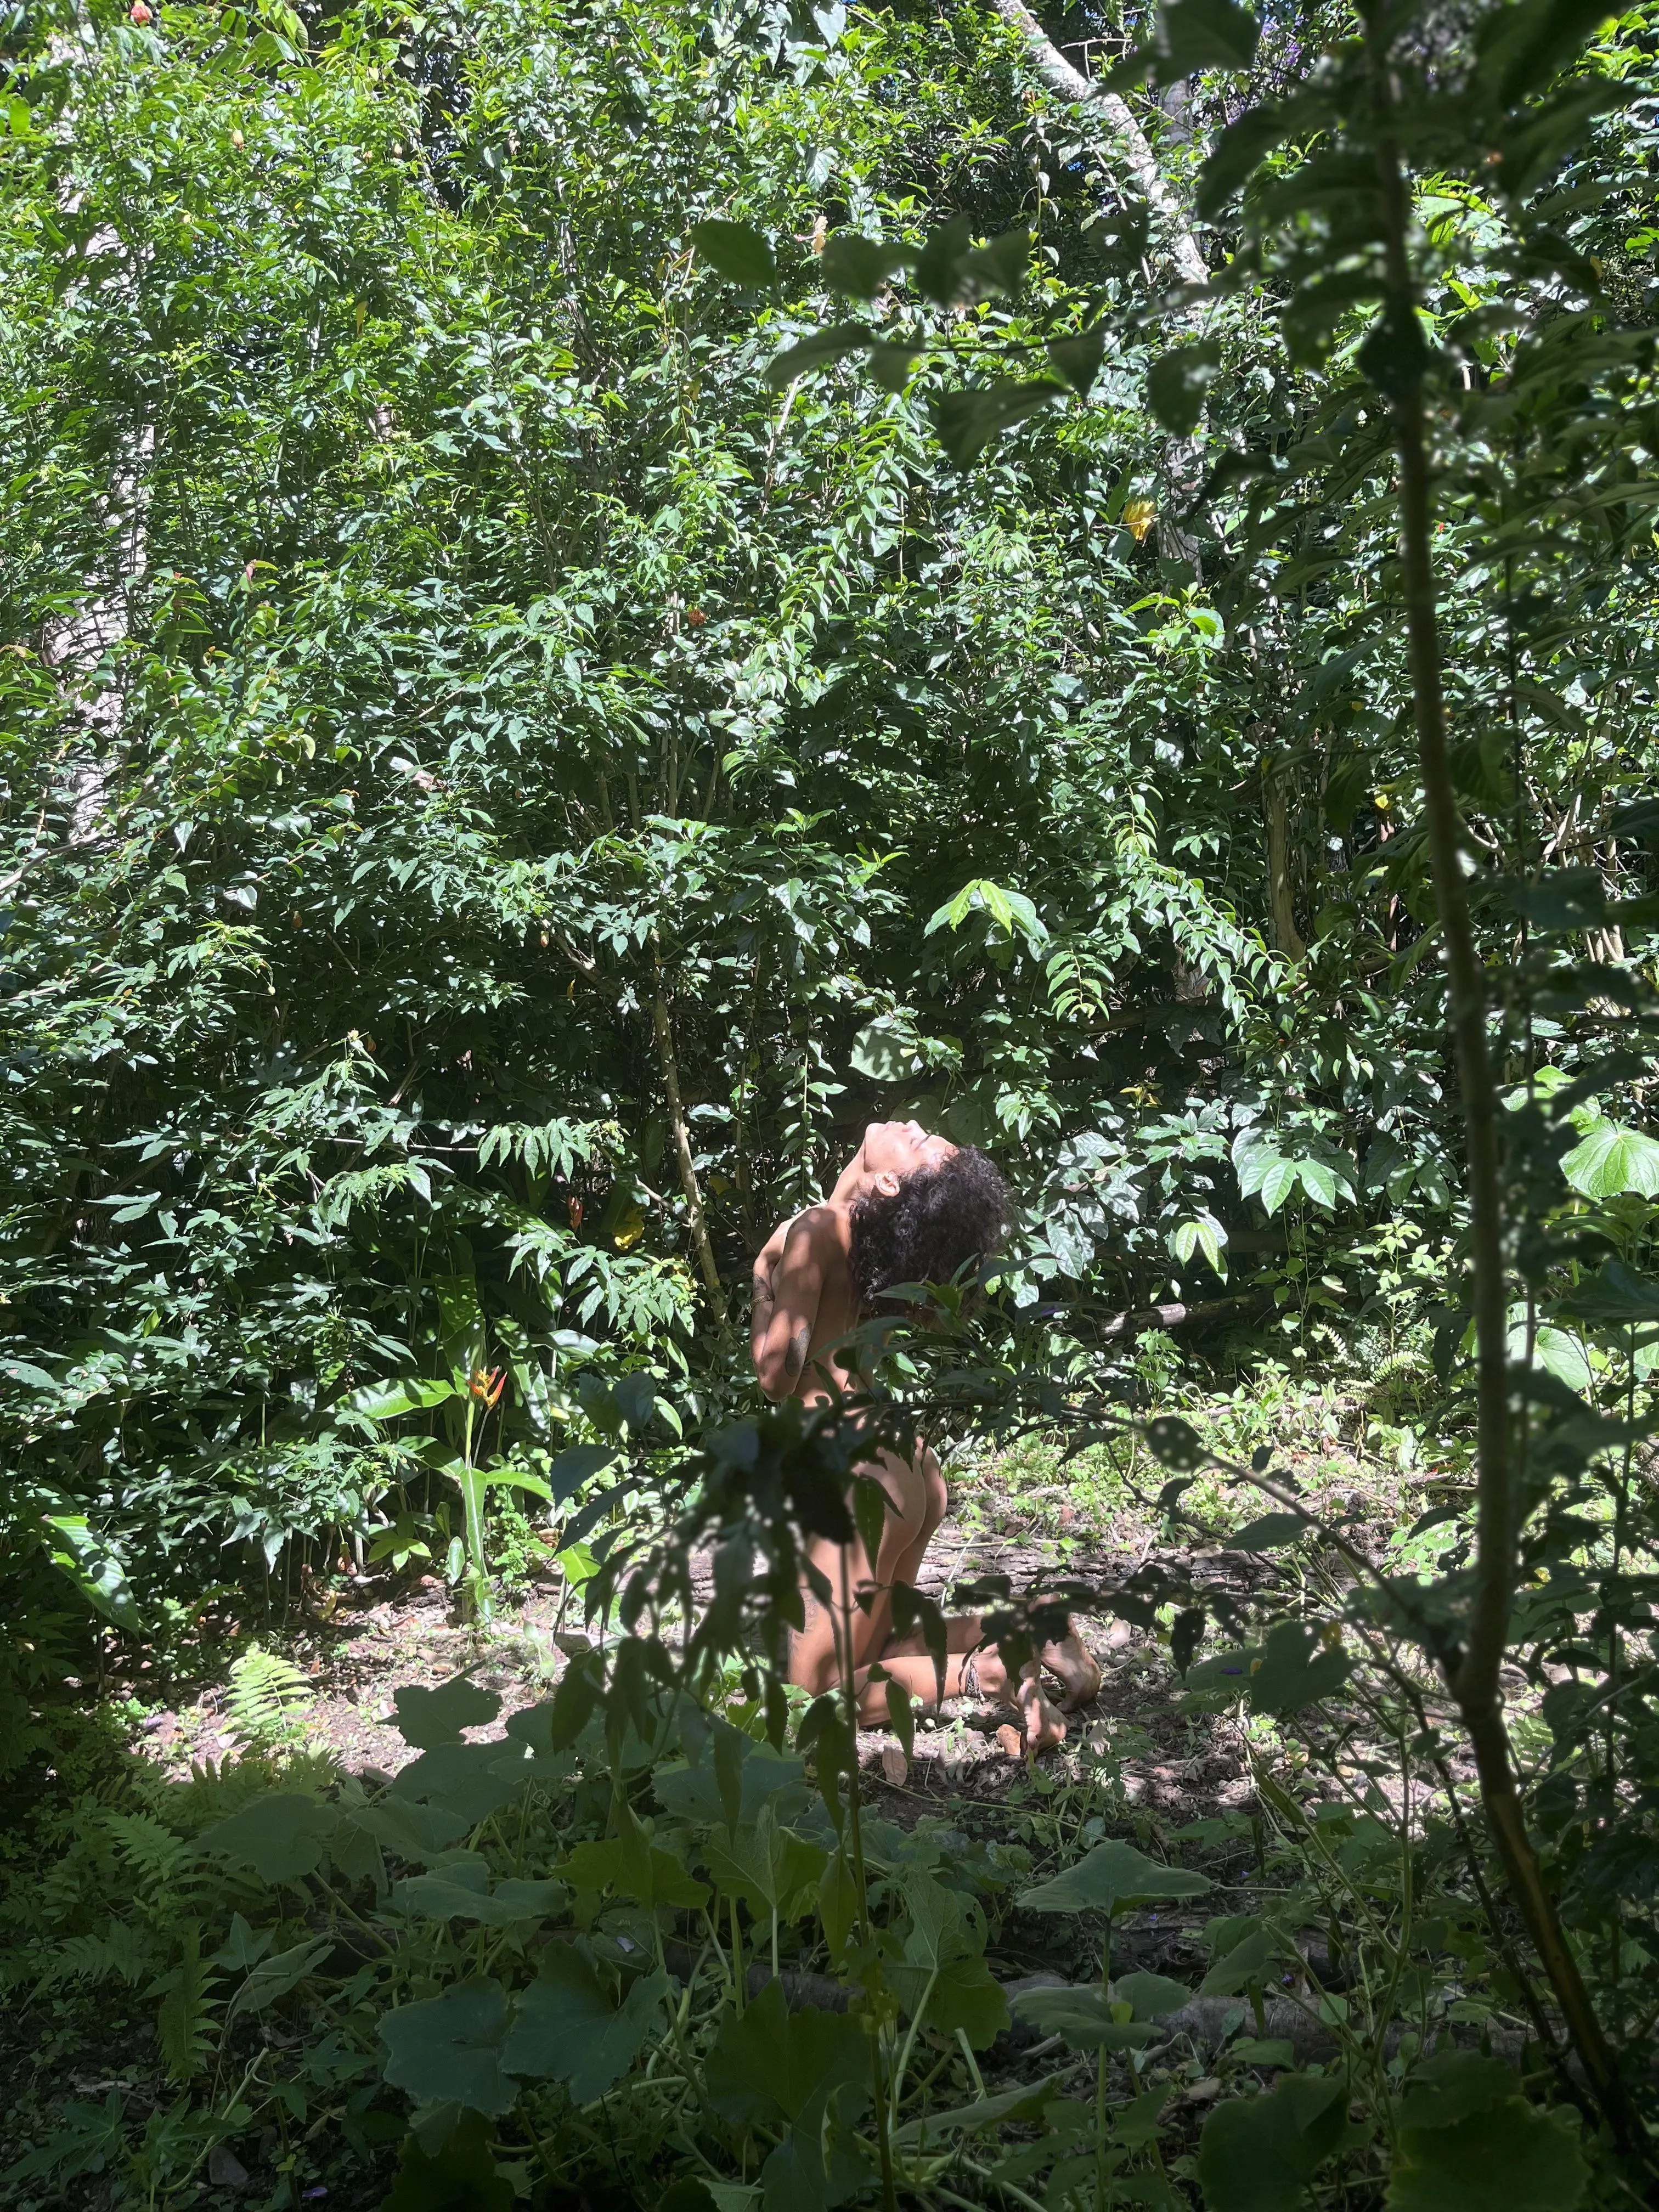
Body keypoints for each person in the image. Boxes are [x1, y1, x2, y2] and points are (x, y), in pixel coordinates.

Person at [751, 1119, 1100, 1752]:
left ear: (887, 1183)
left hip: (846, 1469)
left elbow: (777, 1375)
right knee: (880, 1642)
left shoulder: (815, 1231)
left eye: (917, 1145)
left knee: (808, 1697)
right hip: (905, 1461)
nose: (913, 1124)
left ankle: (981, 1673)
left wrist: (761, 1278)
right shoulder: (877, 1259)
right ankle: (1030, 1629)